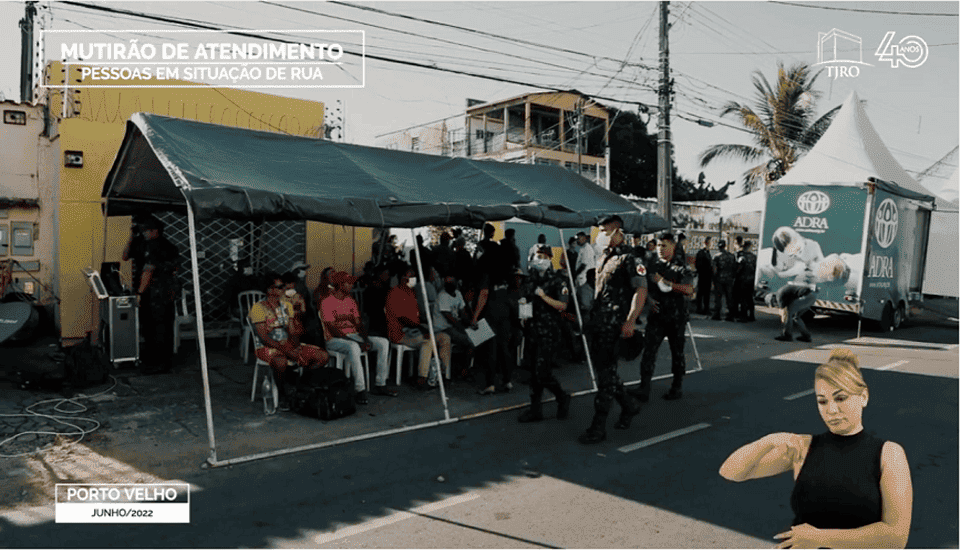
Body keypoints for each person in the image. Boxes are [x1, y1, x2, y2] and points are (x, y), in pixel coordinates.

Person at [719, 349, 913, 549]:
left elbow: (896, 536)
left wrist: (821, 538)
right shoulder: (803, 447)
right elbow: (731, 472)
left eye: (840, 398)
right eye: (822, 401)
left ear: (863, 396)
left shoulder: (888, 454)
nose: (831, 410)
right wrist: (767, 441)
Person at [578, 215, 646, 445]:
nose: (601, 236)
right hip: (599, 325)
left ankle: (598, 427)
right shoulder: (603, 259)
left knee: (606, 377)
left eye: (606, 231)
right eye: (600, 231)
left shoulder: (631, 258)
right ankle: (629, 405)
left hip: (615, 326)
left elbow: (641, 291)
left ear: (619, 232)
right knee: (605, 373)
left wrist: (630, 321)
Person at [249, 272, 329, 405]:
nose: (284, 289)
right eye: (280, 287)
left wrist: (296, 348)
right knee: (281, 362)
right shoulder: (258, 308)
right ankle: (282, 393)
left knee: (322, 356)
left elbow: (293, 332)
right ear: (269, 290)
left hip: (287, 345)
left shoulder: (286, 306)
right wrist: (288, 351)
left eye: (283, 286)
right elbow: (263, 338)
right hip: (268, 347)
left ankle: (299, 385)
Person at [320, 271, 398, 403]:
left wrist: (366, 339)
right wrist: (356, 341)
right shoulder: (327, 302)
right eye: (347, 283)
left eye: (351, 282)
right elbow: (333, 329)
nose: (351, 285)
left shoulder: (350, 301)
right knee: (354, 347)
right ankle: (360, 390)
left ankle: (380, 384)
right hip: (334, 340)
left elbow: (359, 324)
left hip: (354, 336)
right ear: (339, 284)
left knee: (383, 342)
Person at [636, 232, 695, 402]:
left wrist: (666, 282)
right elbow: (643, 286)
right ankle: (644, 388)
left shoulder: (682, 267)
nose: (660, 249)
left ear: (673, 247)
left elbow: (689, 290)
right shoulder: (652, 265)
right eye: (658, 246)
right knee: (648, 353)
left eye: (664, 246)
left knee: (677, 353)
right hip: (656, 318)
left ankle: (676, 387)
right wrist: (648, 300)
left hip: (676, 319)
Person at [518, 245, 572, 422]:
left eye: (543, 256)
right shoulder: (531, 279)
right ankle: (535, 410)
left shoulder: (558, 281)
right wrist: (524, 305)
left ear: (550, 258)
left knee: (543, 372)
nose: (539, 259)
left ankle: (562, 396)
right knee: (533, 373)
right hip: (532, 330)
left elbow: (562, 306)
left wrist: (543, 296)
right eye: (537, 255)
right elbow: (526, 298)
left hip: (549, 332)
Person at [123, 215, 181, 374]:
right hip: (154, 293)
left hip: (159, 293)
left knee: (160, 328)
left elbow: (149, 270)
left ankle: (160, 362)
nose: (144, 233)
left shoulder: (162, 246)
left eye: (146, 230)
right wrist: (131, 237)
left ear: (155, 230)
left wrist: (140, 292)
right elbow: (125, 256)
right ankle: (153, 359)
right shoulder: (143, 244)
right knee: (149, 327)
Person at [386, 268, 451, 389]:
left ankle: (444, 375)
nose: (413, 279)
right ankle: (422, 378)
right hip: (401, 333)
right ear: (402, 278)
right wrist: (422, 329)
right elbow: (403, 319)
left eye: (413, 276)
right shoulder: (394, 293)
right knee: (428, 342)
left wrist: (428, 324)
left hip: (416, 329)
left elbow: (417, 315)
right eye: (410, 276)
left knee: (445, 338)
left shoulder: (411, 292)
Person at [471, 234, 515, 395]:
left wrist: (475, 317)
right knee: (505, 349)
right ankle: (507, 380)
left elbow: (483, 295)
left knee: (491, 350)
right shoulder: (504, 271)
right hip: (505, 312)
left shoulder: (486, 272)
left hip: (490, 314)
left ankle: (490, 384)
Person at [766, 273, 817, 342]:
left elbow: (783, 313)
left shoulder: (779, 296)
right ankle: (806, 336)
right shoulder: (783, 292)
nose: (775, 304)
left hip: (805, 297)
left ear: (772, 298)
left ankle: (787, 335)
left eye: (773, 303)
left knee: (788, 314)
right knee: (796, 317)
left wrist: (784, 319)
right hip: (812, 296)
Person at [712, 239, 737, 321]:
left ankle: (717, 315)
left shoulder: (716, 256)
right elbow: (734, 268)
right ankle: (730, 315)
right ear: (725, 246)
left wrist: (714, 279)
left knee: (718, 297)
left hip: (719, 279)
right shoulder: (731, 256)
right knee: (729, 297)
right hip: (729, 279)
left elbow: (714, 270)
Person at [574, 231, 597, 313]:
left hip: (585, 279)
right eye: (576, 239)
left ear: (584, 238)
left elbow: (583, 265)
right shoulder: (582, 248)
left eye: (579, 239)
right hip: (581, 278)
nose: (577, 241)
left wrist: (574, 274)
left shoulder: (587, 249)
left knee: (585, 302)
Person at [735, 240, 757, 322]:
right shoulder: (753, 256)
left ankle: (743, 316)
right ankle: (752, 315)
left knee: (743, 299)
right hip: (751, 280)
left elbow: (738, 269)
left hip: (742, 280)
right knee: (750, 298)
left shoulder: (741, 255)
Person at [694, 236, 714, 314]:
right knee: (701, 293)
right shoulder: (701, 253)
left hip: (707, 276)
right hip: (703, 276)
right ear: (706, 243)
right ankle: (699, 309)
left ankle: (706, 309)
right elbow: (698, 265)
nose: (711, 244)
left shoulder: (707, 253)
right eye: (710, 242)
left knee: (706, 294)